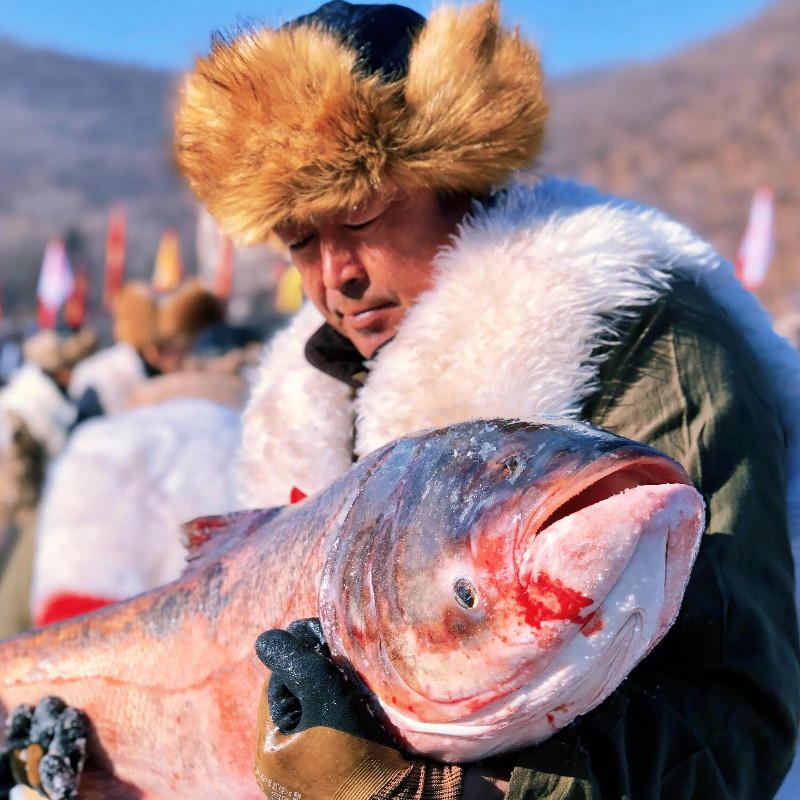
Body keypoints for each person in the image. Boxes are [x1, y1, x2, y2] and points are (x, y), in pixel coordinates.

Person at [173, 1, 800, 798]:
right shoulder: (314, 394)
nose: (336, 274)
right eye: (299, 239)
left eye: (361, 215)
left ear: (456, 177)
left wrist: (435, 793)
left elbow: (734, 718)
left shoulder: (637, 337)